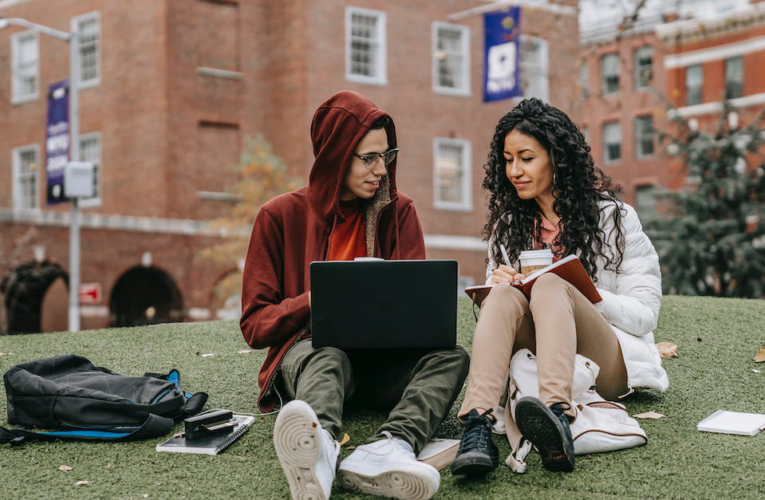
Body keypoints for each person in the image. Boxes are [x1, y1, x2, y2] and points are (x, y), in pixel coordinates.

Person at [240, 90, 469, 500]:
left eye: (387, 156)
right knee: (329, 354)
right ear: (335, 156)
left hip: (382, 367)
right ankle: (320, 451)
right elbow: (255, 325)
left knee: (453, 357)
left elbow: (419, 311)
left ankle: (390, 447)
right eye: (369, 158)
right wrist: (316, 299)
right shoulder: (278, 217)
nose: (381, 169)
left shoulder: (400, 213)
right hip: (313, 358)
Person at [450, 98, 668, 475]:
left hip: (604, 363)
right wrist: (499, 287)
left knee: (552, 284)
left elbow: (646, 315)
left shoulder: (614, 219)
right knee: (503, 293)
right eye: (507, 159)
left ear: (557, 158)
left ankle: (556, 414)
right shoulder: (508, 228)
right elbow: (501, 323)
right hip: (533, 356)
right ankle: (477, 424)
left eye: (526, 158)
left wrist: (580, 291)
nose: (514, 170)